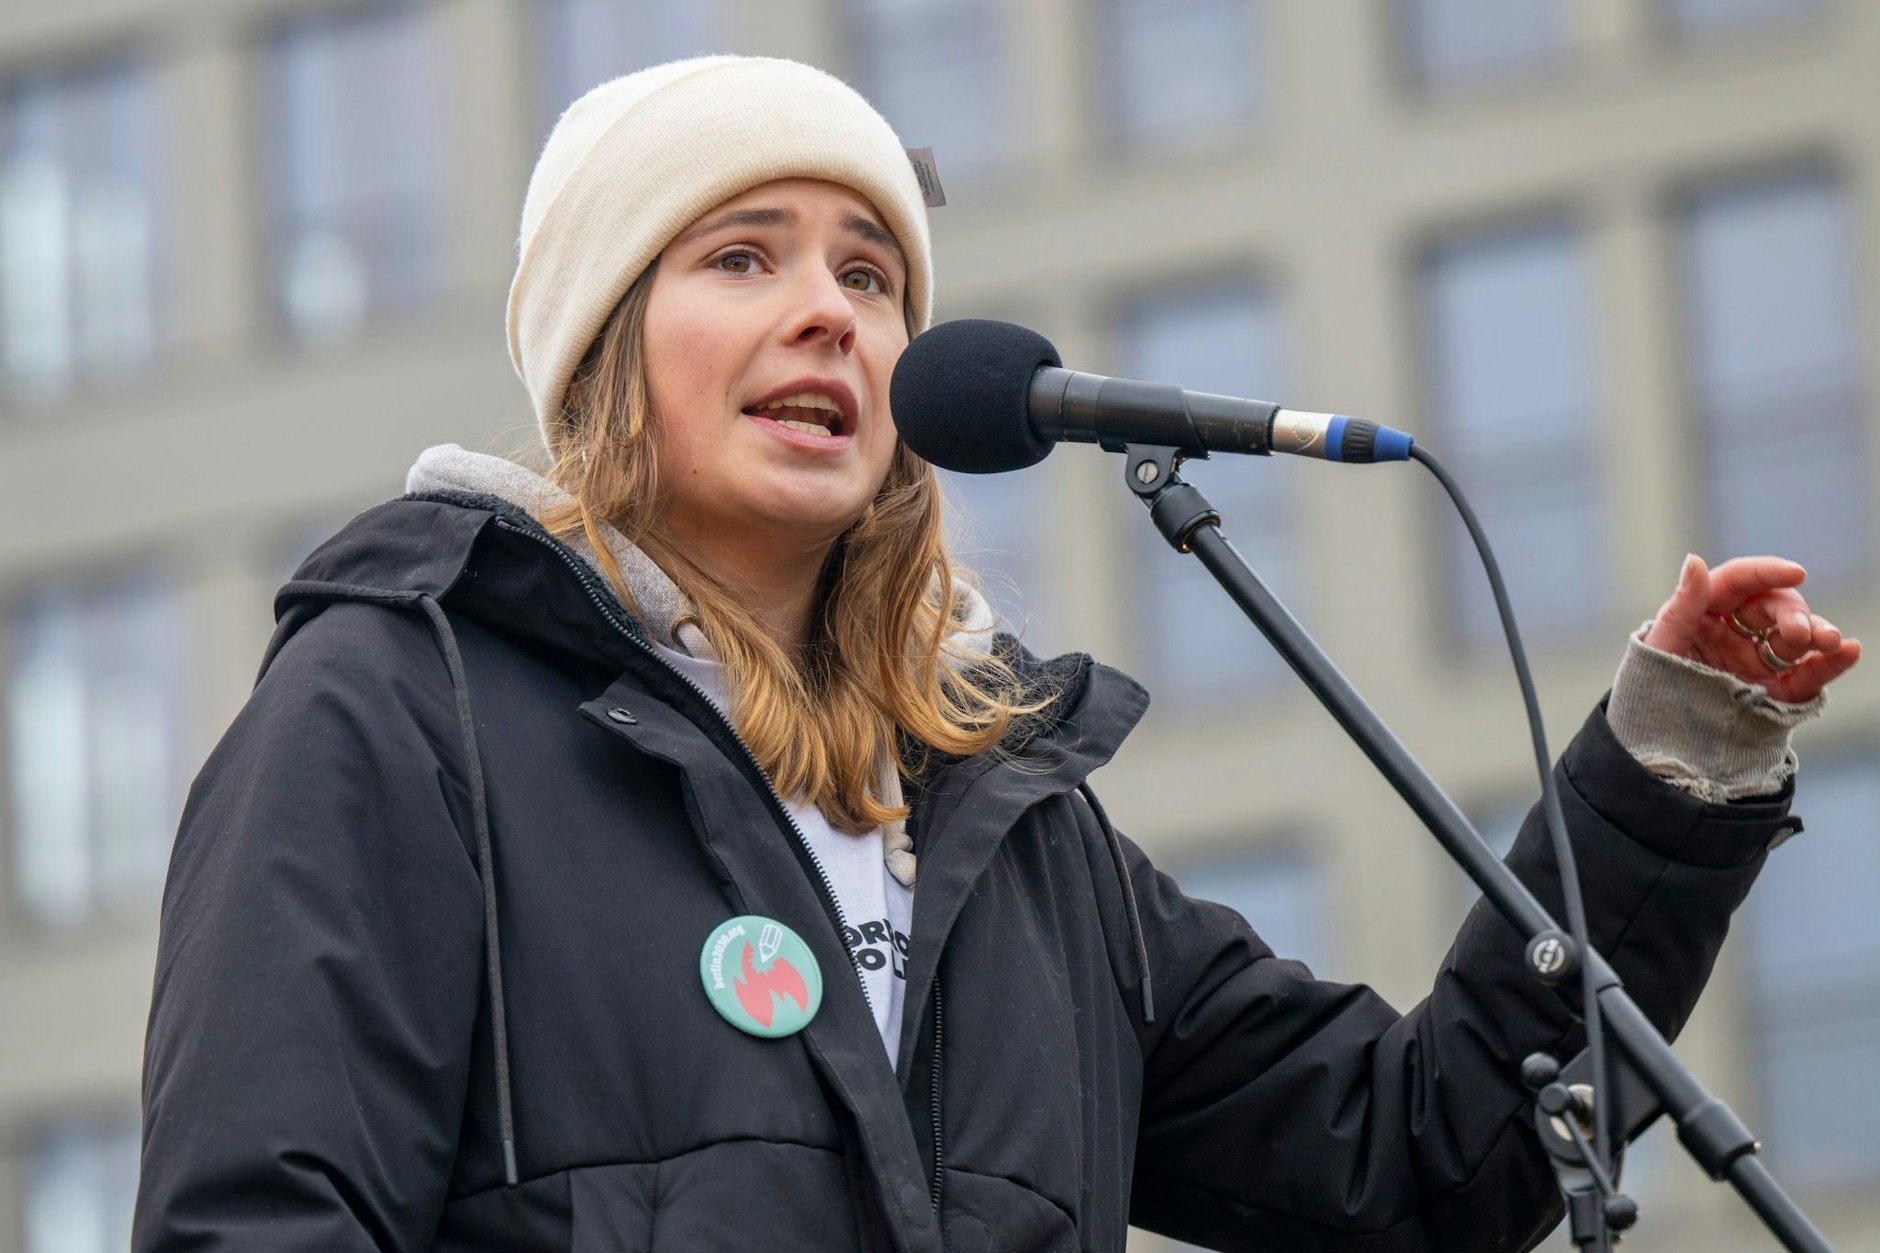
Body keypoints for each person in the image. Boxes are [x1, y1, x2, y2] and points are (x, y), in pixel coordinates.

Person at [134, 55, 1859, 1253]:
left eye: (874, 275)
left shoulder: (1012, 829)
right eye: (744, 257)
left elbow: (1418, 1159)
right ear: (601, 349)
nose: (834, 310)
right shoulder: (396, 710)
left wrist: (1671, 759)